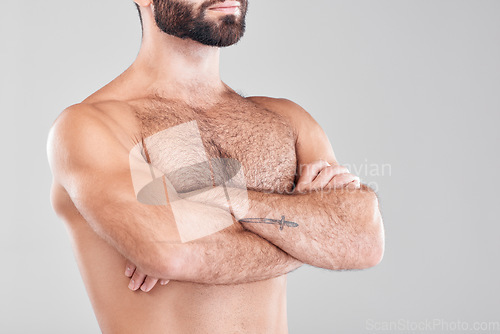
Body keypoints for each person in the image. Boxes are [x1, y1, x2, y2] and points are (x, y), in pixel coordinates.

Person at [46, 0, 385, 333]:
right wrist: (311, 236)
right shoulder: (92, 125)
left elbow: (365, 240)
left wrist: (233, 201)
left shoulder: (285, 119)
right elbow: (169, 255)